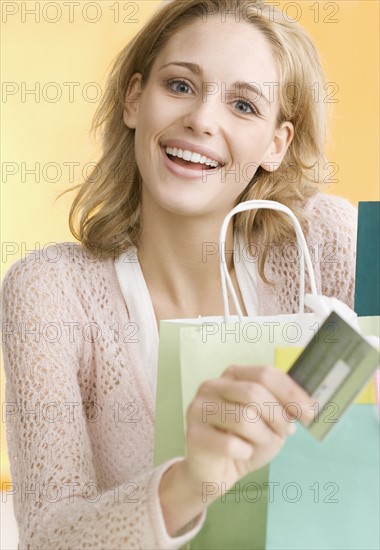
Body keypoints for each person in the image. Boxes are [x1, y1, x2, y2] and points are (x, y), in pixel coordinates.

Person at [1, 0, 357, 547]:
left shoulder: (330, 243)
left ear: (275, 145)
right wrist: (193, 481)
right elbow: (49, 536)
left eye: (243, 105)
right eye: (181, 86)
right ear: (134, 99)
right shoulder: (50, 291)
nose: (202, 119)